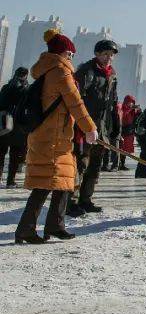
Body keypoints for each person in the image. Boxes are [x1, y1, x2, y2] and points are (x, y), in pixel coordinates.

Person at [16, 31, 97, 243]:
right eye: (70, 53)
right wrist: (90, 128)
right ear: (63, 52)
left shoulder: (46, 69)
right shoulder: (61, 72)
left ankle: (55, 225)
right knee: (45, 184)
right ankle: (26, 229)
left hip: (53, 136)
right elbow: (75, 102)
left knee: (64, 182)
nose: (72, 57)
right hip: (52, 138)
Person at [69, 39, 119, 217]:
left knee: (95, 166)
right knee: (80, 164)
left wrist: (115, 128)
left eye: (111, 55)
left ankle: (86, 199)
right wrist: (81, 124)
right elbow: (76, 99)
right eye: (105, 54)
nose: (108, 58)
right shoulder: (86, 71)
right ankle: (70, 201)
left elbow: (113, 103)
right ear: (97, 54)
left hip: (102, 128)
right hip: (85, 126)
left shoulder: (111, 74)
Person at [0, 67, 31, 187]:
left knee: (1, 152)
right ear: (25, 75)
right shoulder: (26, 89)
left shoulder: (6, 87)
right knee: (15, 155)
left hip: (4, 124)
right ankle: (10, 180)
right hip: (18, 126)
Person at [117, 95, 139, 170]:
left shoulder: (133, 110)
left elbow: (137, 118)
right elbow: (122, 116)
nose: (131, 104)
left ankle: (122, 164)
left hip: (129, 132)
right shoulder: (122, 108)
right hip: (123, 131)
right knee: (120, 149)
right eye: (130, 102)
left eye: (132, 102)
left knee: (126, 150)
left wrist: (137, 110)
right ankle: (118, 164)